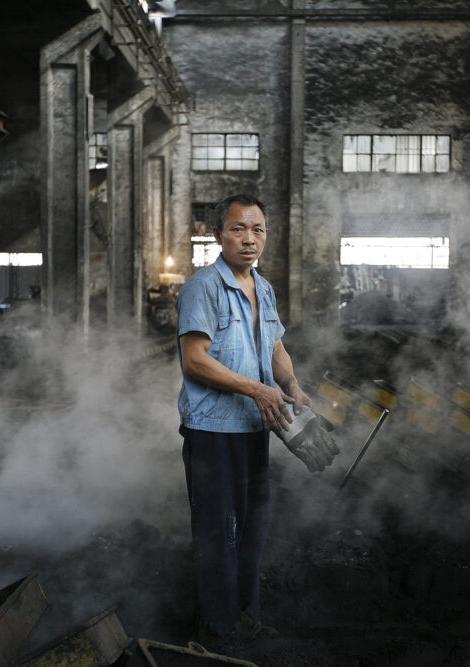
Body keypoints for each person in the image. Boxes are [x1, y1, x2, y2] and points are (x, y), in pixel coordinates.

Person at [175, 193, 310, 642]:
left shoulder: (263, 288)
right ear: (218, 235)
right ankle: (218, 630)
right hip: (212, 432)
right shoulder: (202, 288)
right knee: (218, 536)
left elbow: (274, 347)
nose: (249, 239)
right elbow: (194, 360)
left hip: (255, 428)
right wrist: (256, 388)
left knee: (252, 532)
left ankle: (246, 619)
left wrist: (291, 385)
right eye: (238, 229)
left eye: (258, 230)